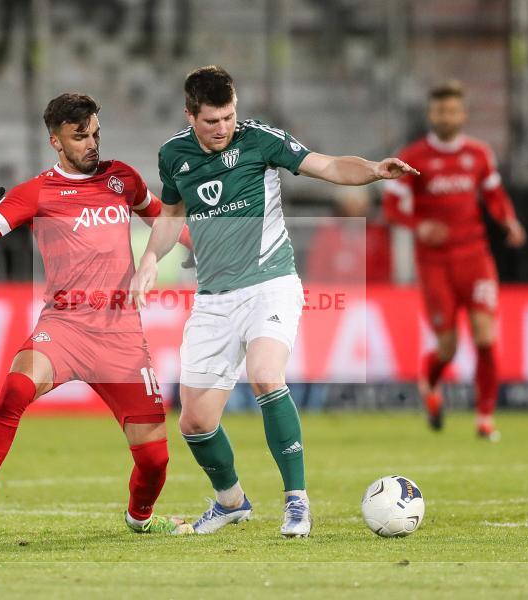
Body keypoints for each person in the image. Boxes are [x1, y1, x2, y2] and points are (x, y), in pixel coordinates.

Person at [128, 65, 416, 537]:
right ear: (190, 115)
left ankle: (296, 501)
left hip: (271, 283)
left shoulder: (259, 140)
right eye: (211, 121)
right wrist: (147, 261)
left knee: (265, 375)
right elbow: (171, 214)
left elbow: (325, 165)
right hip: (214, 297)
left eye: (228, 117)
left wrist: (373, 170)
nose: (223, 129)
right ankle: (231, 502)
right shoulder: (173, 155)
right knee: (195, 421)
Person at [0, 93, 192, 534]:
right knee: (14, 391)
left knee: (155, 461)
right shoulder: (37, 192)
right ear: (55, 141)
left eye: (96, 133)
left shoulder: (122, 179)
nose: (92, 144)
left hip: (121, 337)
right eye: (80, 137)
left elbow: (165, 222)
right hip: (65, 326)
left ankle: (141, 519)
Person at [381, 80, 526, 441]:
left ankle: (485, 418)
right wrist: (419, 225)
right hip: (434, 265)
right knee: (448, 346)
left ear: (463, 113)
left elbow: (494, 195)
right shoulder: (412, 157)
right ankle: (429, 385)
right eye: (439, 110)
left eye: (452, 110)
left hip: (475, 257)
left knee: (485, 334)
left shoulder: (478, 154)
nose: (446, 116)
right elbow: (391, 208)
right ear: (431, 114)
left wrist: (508, 220)